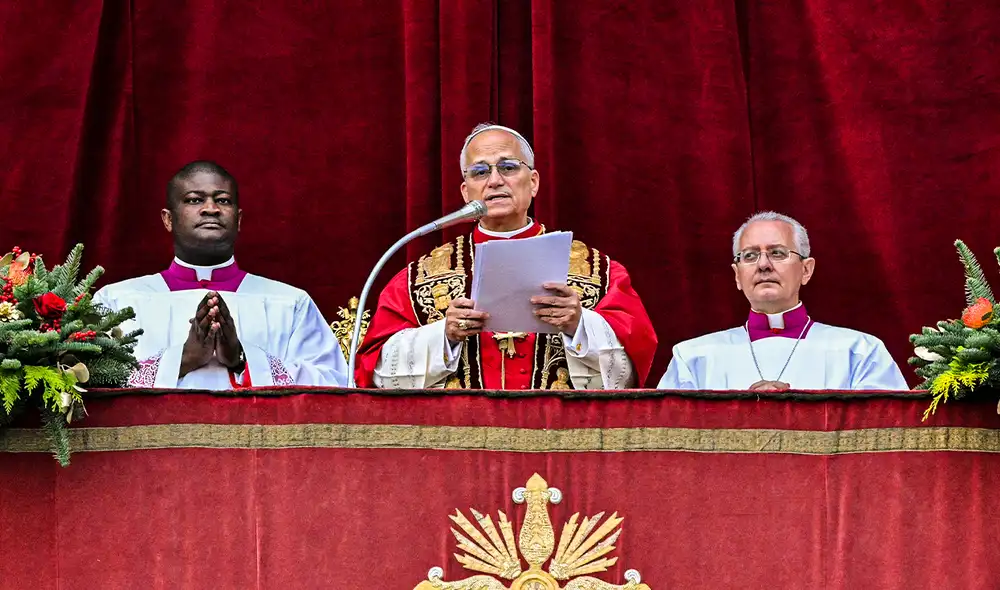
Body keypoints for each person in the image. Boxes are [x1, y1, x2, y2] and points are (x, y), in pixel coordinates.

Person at [355, 123, 657, 390]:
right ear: (466, 191)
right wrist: (443, 338)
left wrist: (579, 325)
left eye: (508, 167)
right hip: (459, 442)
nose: (495, 180)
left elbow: (633, 370)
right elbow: (375, 372)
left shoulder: (599, 272)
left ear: (534, 182)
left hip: (561, 442)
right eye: (480, 171)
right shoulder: (419, 277)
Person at [95, 160, 348, 389]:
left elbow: (333, 384)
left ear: (238, 219)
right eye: (194, 199)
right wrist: (182, 359)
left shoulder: (290, 302)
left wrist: (241, 357)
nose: (211, 209)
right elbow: (88, 383)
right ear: (168, 219)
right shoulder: (117, 301)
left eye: (223, 200)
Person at [657, 211, 907, 390]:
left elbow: (885, 445)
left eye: (777, 253)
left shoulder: (860, 352)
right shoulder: (692, 358)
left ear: (806, 270)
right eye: (750, 255)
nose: (764, 265)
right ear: (737, 276)